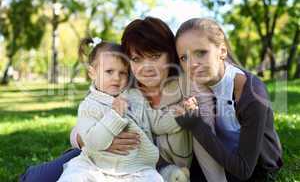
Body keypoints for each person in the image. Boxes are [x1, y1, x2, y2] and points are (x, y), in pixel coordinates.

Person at [57, 38, 190, 182]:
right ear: (92, 73)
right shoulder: (89, 105)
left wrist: (179, 115)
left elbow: (157, 123)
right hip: (96, 166)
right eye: (109, 71)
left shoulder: (136, 97)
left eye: (123, 73)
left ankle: (167, 175)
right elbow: (92, 142)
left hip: (136, 168)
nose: (116, 78)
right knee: (74, 176)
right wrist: (114, 116)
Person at [174, 18, 283, 181]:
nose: (193, 64)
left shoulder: (252, 94)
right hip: (219, 154)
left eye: (201, 53)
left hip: (255, 168)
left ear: (222, 51)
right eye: (184, 58)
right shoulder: (196, 84)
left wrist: (195, 125)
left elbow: (244, 170)